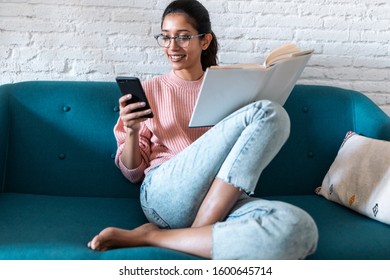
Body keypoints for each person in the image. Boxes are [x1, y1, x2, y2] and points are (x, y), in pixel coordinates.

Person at [88, 0, 318, 259]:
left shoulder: (231, 86)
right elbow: (133, 174)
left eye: (183, 37)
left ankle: (159, 236)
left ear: (205, 41)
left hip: (222, 198)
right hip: (167, 194)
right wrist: (131, 131)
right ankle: (193, 232)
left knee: (300, 229)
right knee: (270, 112)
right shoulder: (150, 90)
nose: (172, 47)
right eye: (165, 37)